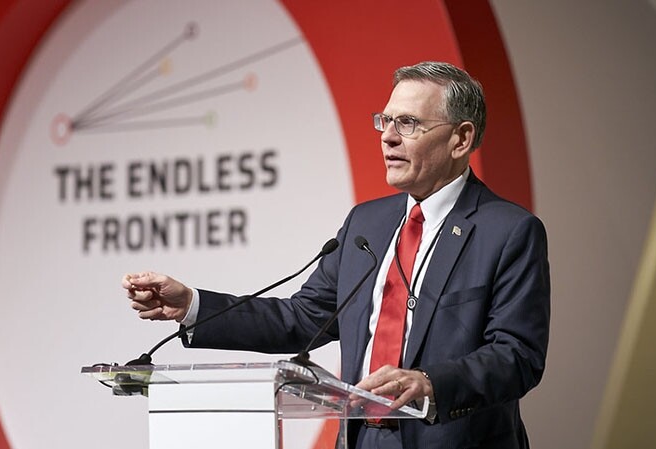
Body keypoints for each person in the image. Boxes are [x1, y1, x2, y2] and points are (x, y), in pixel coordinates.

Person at [122, 61, 550, 449]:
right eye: (385, 120)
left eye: (409, 123)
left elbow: (517, 356)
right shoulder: (368, 223)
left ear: (461, 138)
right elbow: (302, 318)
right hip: (362, 440)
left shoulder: (508, 231)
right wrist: (193, 306)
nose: (388, 136)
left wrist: (428, 382)